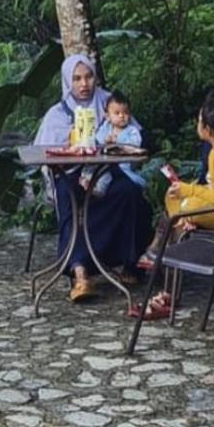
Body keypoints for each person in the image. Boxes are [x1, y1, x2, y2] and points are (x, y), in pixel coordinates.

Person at [33, 54, 153, 302]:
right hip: (70, 173)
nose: (84, 84)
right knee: (68, 197)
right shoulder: (57, 114)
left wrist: (118, 142)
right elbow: (44, 154)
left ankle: (128, 262)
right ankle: (80, 273)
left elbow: (137, 137)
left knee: (129, 192)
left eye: (88, 77)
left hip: (106, 171)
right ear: (68, 81)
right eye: (77, 78)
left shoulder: (109, 103)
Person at [137, 90, 214, 286]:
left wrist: (190, 192)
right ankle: (181, 225)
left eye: (199, 121)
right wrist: (186, 191)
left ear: (208, 129)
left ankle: (167, 269)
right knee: (173, 196)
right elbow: (213, 187)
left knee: (188, 205)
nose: (197, 124)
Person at [89, 90, 144, 196]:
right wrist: (105, 140)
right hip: (104, 163)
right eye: (117, 113)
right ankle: (87, 180)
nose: (122, 116)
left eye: (125, 113)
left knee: (107, 173)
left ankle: (100, 189)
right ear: (108, 116)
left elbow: (135, 145)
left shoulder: (132, 131)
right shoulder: (106, 127)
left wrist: (119, 144)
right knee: (94, 168)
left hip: (122, 166)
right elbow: (98, 139)